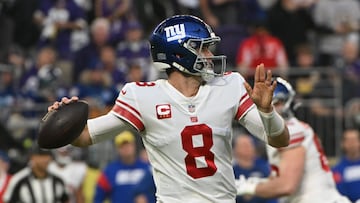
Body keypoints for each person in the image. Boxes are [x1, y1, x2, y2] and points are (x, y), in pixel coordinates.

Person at [48, 15, 289, 202]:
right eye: (202, 48)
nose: (208, 55)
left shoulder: (229, 84)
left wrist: (267, 112)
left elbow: (279, 139)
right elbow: (84, 137)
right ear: (179, 52)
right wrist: (60, 121)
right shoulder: (142, 96)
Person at [235, 77, 351, 203]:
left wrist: (249, 187)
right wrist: (262, 183)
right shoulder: (290, 129)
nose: (271, 108)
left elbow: (287, 185)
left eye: (276, 103)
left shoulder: (292, 130)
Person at [94, 131, 150, 203]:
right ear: (117, 149)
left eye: (128, 144)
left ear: (134, 145)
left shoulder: (147, 168)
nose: (126, 148)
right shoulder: (109, 171)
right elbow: (98, 198)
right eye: (122, 146)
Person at [2, 145, 69, 203]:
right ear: (32, 157)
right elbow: (8, 200)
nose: (45, 159)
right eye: (41, 156)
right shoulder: (19, 179)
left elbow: (65, 199)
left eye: (48, 155)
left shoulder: (58, 180)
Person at [233, 135, 276, 203]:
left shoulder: (265, 166)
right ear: (235, 149)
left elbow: (274, 188)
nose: (247, 148)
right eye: (244, 145)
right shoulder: (232, 171)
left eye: (250, 144)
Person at [332, 129, 360, 203]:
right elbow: (339, 194)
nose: (352, 144)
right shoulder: (336, 170)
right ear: (343, 144)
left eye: (354, 140)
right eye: (348, 141)